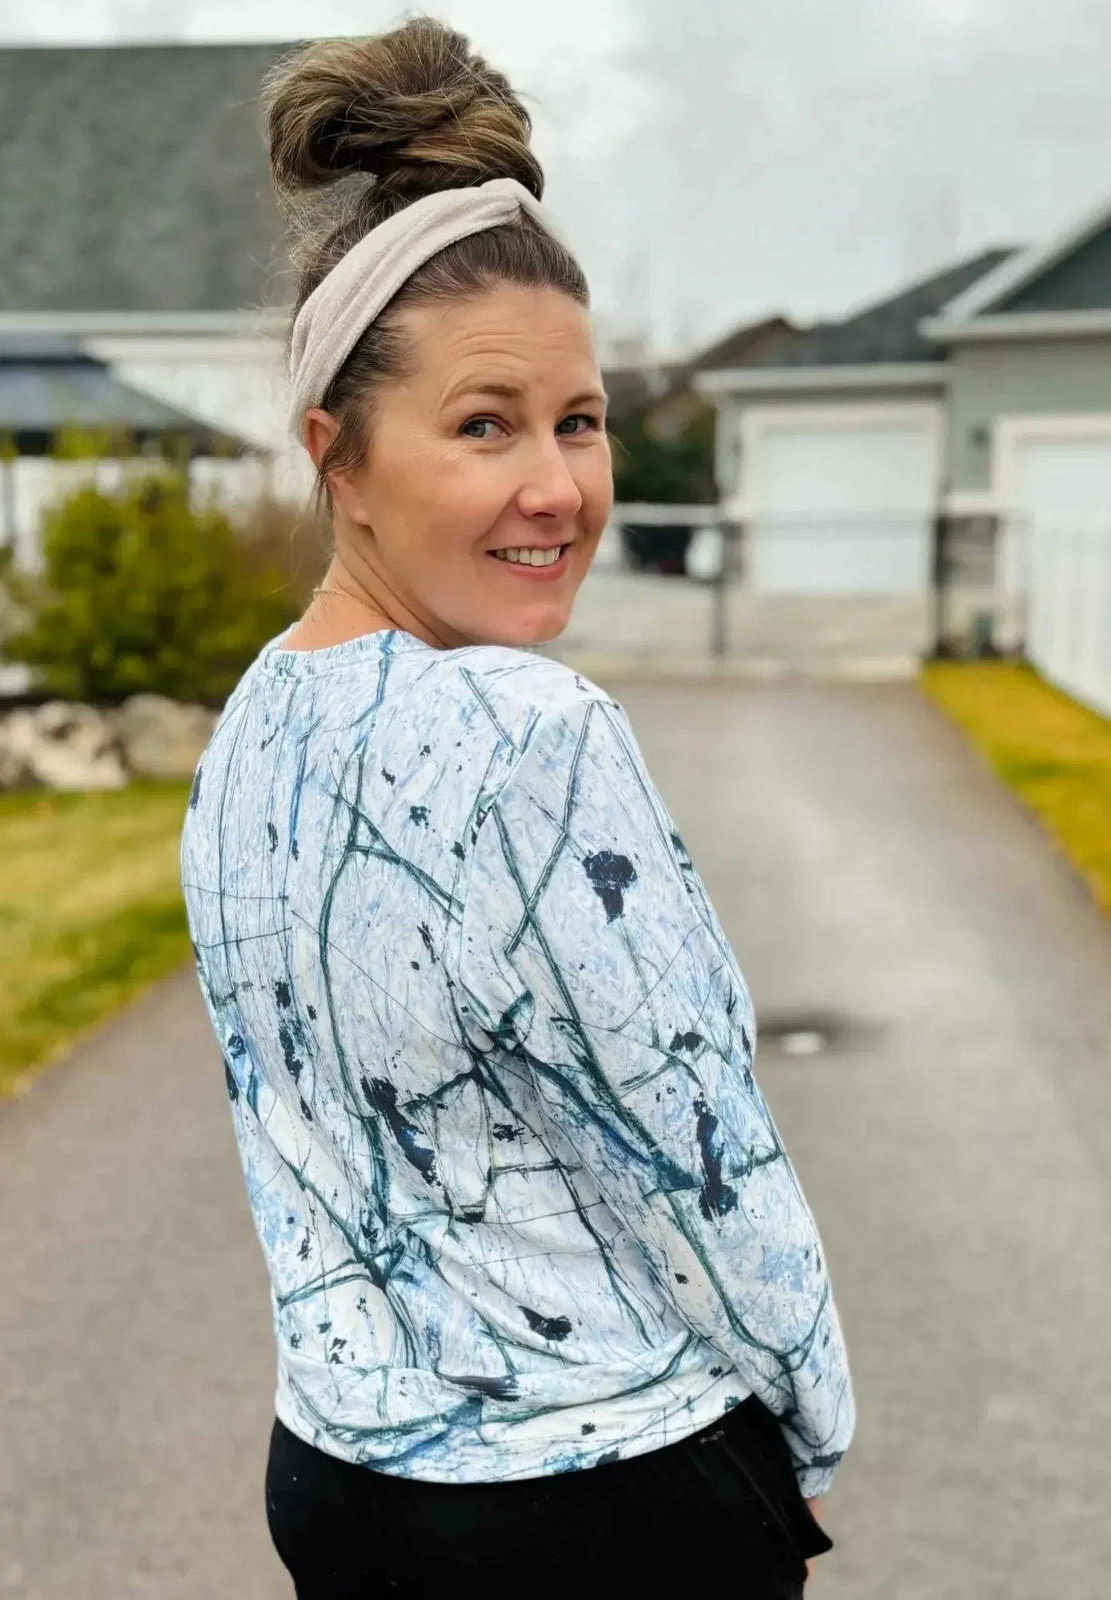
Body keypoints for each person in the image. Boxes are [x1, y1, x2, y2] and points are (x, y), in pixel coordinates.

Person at [181, 19, 854, 1598]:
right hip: (599, 1499)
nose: (556, 485)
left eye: (579, 418)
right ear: (337, 457)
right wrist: (808, 1429)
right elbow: (700, 1148)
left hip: (339, 1474)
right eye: (483, 425)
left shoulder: (249, 727)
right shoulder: (528, 726)